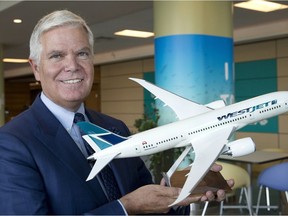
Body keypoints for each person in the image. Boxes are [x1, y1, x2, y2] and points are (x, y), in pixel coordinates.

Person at [0, 10, 233, 215]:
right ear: (36, 68)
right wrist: (124, 208)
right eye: (57, 55)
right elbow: (133, 204)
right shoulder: (12, 143)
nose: (72, 65)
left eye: (82, 53)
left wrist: (177, 193)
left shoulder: (114, 127)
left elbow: (146, 202)